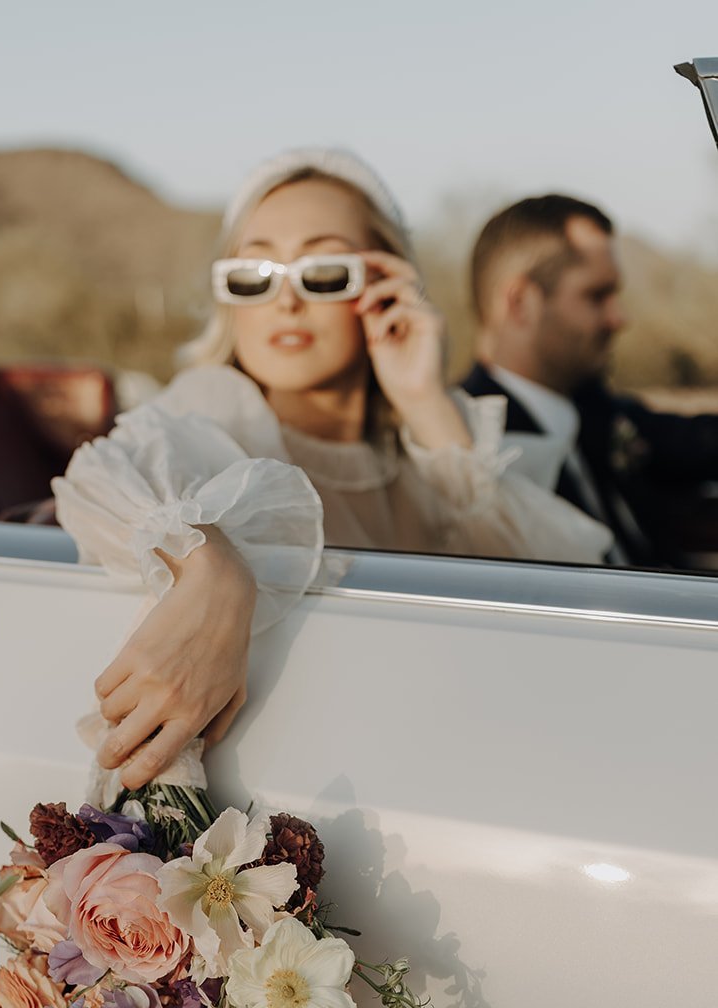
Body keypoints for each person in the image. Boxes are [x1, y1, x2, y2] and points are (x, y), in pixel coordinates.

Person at [52, 149, 611, 798]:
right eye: (253, 275)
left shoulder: (427, 448)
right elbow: (103, 476)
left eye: (321, 272)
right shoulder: (217, 412)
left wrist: (422, 397)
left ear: (383, 286)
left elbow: (551, 597)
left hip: (465, 772)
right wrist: (212, 569)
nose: (284, 300)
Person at [461, 193, 718, 566]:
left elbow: (700, 442)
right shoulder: (468, 446)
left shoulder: (599, 411)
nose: (620, 317)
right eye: (597, 295)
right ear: (520, 303)